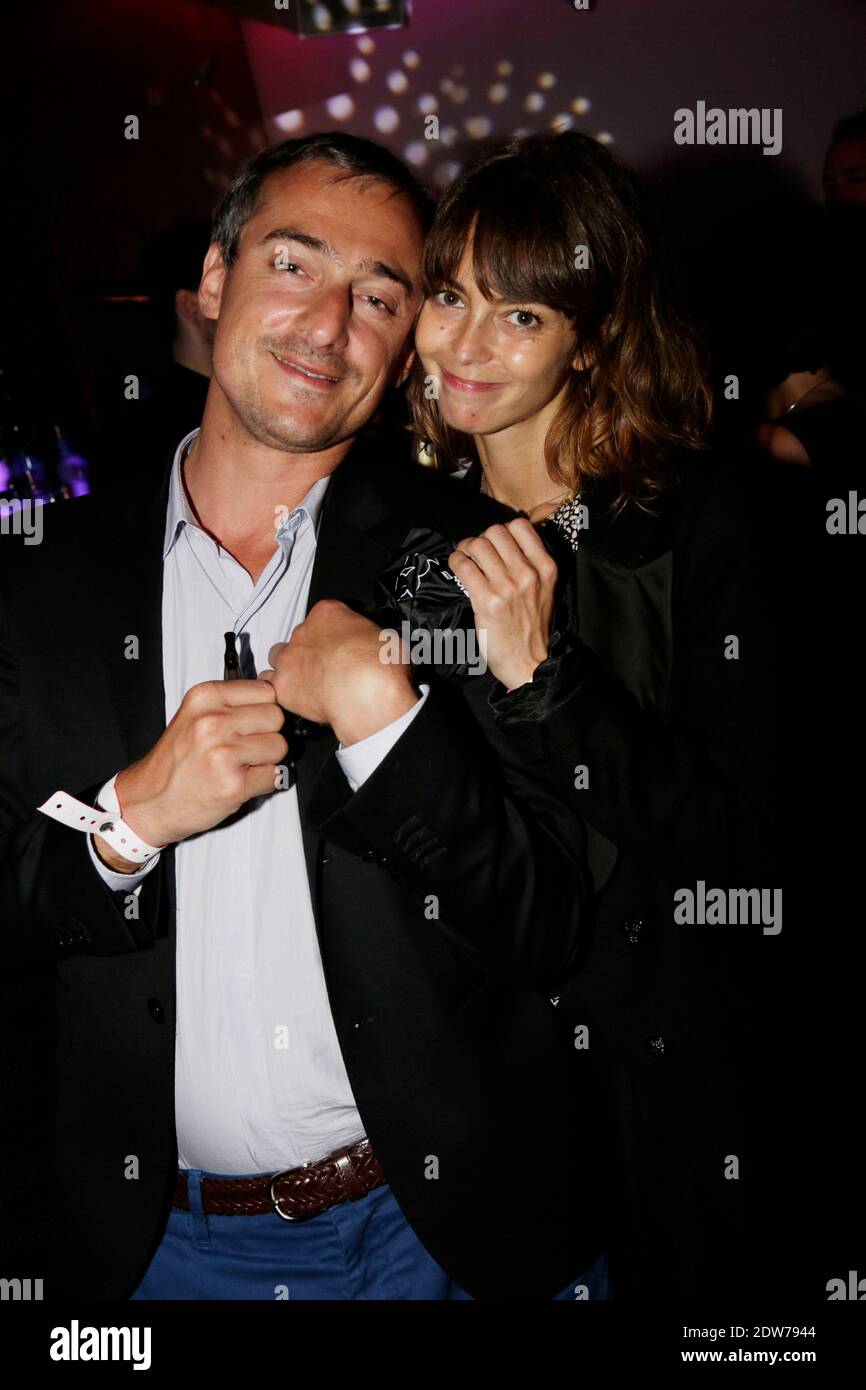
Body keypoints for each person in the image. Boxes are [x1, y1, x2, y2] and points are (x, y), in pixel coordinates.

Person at [0, 132, 610, 1301]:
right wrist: (125, 823)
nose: (329, 324)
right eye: (293, 265)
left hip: (442, 1237)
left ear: (405, 345)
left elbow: (553, 924)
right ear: (215, 284)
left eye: (379, 295)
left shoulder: (472, 561)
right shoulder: (41, 583)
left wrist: (389, 731)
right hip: (158, 1252)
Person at [406, 131, 780, 1298]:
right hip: (491, 1091)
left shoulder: (706, 527)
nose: (462, 345)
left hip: (684, 1085)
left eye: (519, 316)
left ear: (594, 333)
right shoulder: (400, 523)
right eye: (449, 294)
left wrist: (545, 681)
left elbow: (734, 840)